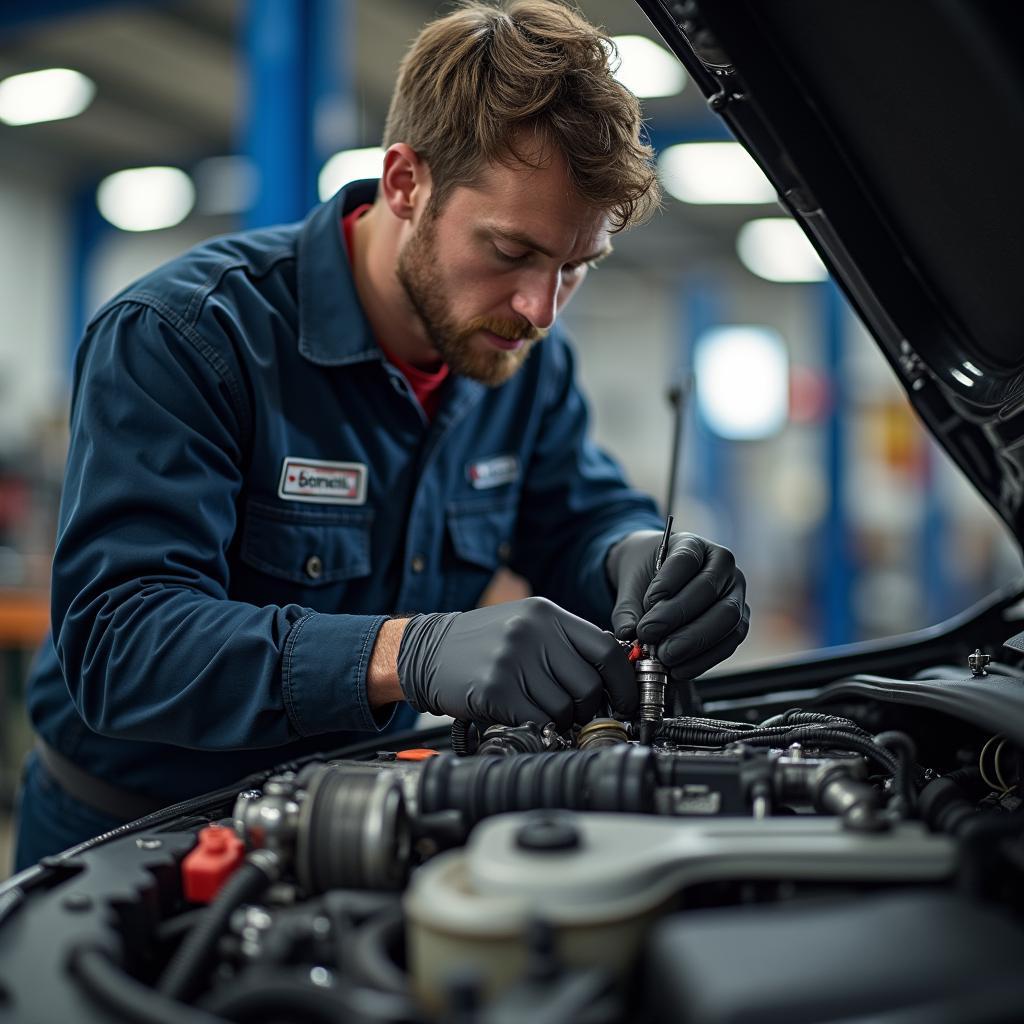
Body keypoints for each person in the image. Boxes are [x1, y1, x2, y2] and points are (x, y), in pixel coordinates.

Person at [13, 0, 749, 871]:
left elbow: (573, 515)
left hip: (366, 821)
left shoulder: (521, 360)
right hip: (138, 841)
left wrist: (638, 558)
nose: (541, 309)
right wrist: (409, 652)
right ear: (406, 182)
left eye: (576, 266)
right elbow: (120, 643)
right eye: (511, 251)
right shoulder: (187, 337)